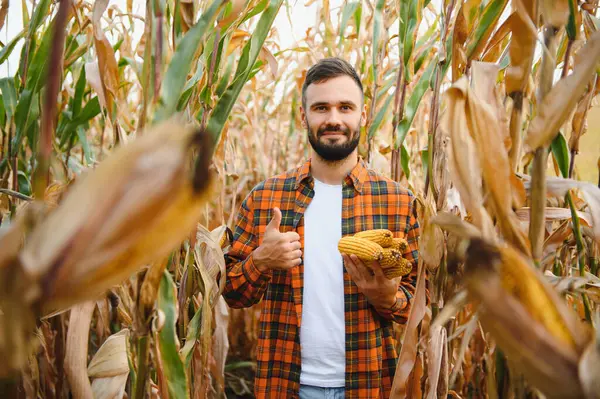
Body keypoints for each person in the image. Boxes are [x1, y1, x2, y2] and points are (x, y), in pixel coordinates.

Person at [222, 57, 420, 399]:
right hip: (286, 383)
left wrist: (389, 298)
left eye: (345, 107)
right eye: (321, 108)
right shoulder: (266, 198)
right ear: (304, 116)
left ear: (363, 114)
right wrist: (261, 260)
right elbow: (232, 293)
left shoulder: (397, 202)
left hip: (369, 382)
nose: (333, 119)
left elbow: (423, 301)